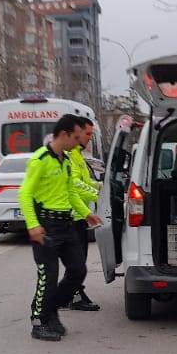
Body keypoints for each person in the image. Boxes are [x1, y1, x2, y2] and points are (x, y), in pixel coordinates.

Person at [18, 115, 102, 341]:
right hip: (46, 225)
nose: (78, 142)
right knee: (49, 275)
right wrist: (33, 225)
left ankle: (51, 308)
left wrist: (87, 213)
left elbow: (70, 193)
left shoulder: (64, 160)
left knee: (78, 270)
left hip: (66, 225)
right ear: (64, 134)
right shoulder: (41, 159)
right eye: (76, 137)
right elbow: (24, 193)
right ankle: (39, 322)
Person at [64, 116, 101, 312]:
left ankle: (72, 294)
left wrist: (101, 186)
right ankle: (69, 296)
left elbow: (84, 182)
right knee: (76, 263)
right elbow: (75, 185)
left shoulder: (78, 156)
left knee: (78, 261)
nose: (89, 138)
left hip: (80, 216)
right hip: (72, 216)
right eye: (87, 134)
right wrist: (98, 194)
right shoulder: (70, 156)